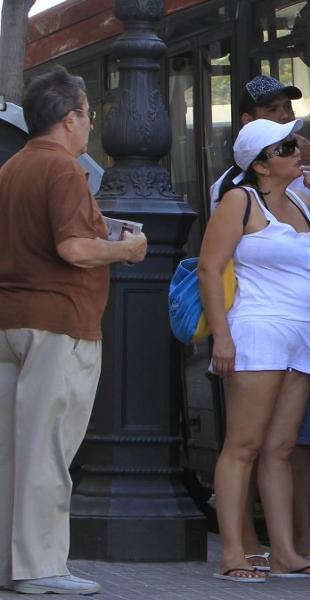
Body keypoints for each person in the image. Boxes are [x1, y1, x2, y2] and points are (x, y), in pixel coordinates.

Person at [208, 75, 310, 574]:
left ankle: (286, 553)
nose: (293, 148)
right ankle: (235, 551)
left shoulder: (303, 198)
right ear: (260, 162)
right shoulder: (239, 199)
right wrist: (222, 335)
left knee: (281, 446)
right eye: (283, 146)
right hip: (257, 329)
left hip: (303, 331)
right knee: (245, 445)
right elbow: (209, 267)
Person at [0, 67, 147, 596]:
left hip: (10, 322)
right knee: (48, 450)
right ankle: (40, 567)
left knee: (11, 452)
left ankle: (10, 564)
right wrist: (125, 249)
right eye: (88, 114)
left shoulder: (12, 167)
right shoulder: (63, 172)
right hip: (60, 324)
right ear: (69, 119)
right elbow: (73, 249)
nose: (90, 124)